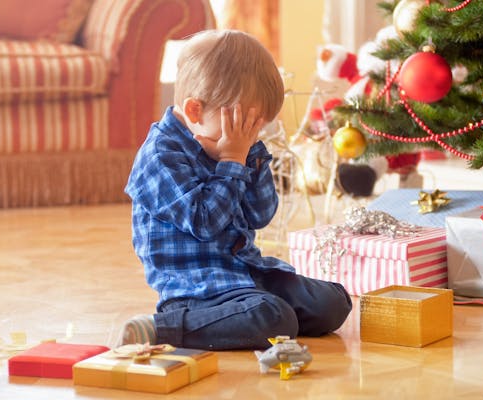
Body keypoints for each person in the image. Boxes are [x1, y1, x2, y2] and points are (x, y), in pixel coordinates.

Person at [123, 29, 352, 350]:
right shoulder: (160, 156)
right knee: (274, 318)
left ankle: (251, 310)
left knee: (333, 303)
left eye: (256, 127)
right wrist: (232, 161)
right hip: (197, 292)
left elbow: (260, 215)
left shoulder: (239, 144)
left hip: (245, 272)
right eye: (242, 124)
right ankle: (161, 329)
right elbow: (204, 223)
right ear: (194, 111)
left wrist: (247, 157)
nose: (249, 136)